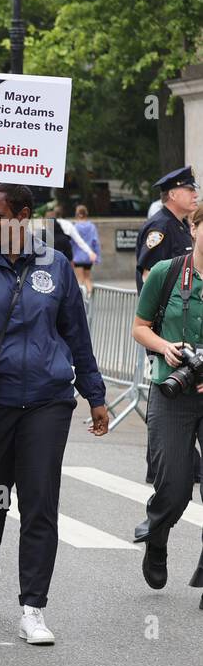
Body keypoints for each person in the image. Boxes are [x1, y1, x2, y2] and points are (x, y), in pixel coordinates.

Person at [0, 182, 109, 645]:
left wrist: (95, 395)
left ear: (25, 215)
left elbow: (77, 335)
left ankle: (33, 607)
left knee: (40, 501)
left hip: (48, 399)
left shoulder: (56, 266)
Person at [131, 203, 203, 608]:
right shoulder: (167, 272)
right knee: (174, 487)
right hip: (171, 391)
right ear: (194, 228)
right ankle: (156, 537)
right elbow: (140, 328)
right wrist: (166, 347)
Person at [135, 167, 197, 293]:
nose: (195, 195)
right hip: (167, 311)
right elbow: (149, 277)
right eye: (190, 190)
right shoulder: (160, 227)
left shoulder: (180, 224)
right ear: (172, 195)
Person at [70, 204, 101, 296]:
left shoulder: (75, 227)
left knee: (80, 279)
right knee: (87, 278)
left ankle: (81, 300)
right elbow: (96, 242)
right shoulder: (92, 227)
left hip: (77, 257)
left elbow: (71, 242)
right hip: (89, 257)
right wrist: (97, 257)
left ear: (77, 214)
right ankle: (89, 296)